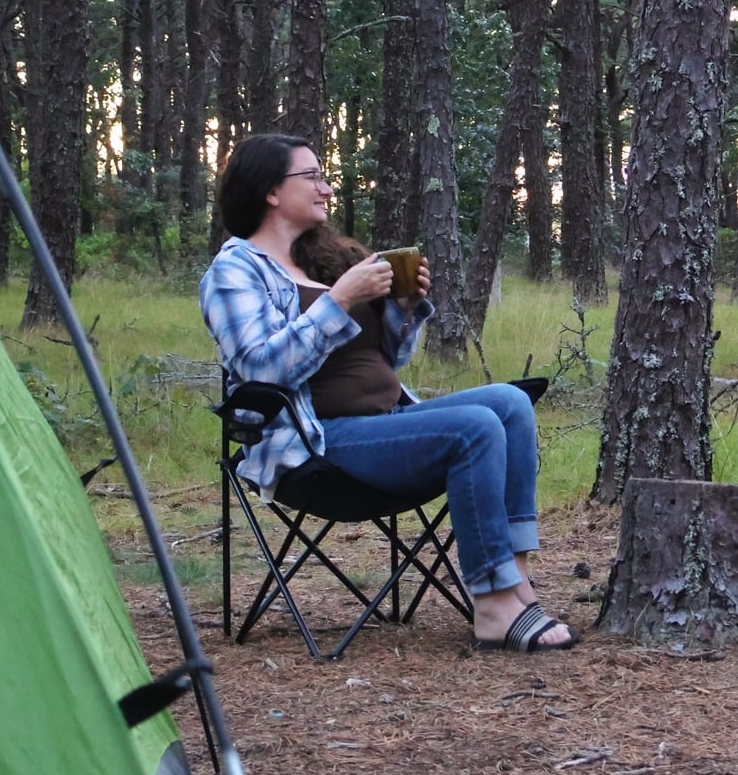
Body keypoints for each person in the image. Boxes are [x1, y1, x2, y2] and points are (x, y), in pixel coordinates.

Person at [201, 134, 575, 653]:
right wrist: (341, 299)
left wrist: (403, 306)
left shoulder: (327, 257)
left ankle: (516, 586)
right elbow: (263, 369)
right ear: (268, 190)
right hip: (315, 449)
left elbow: (387, 362)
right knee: (475, 427)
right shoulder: (235, 270)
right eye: (310, 177)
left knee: (508, 405)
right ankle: (491, 604)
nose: (326, 188)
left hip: (385, 425)